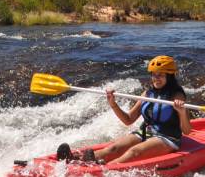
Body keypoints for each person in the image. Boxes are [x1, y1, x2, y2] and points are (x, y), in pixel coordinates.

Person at [57, 55, 191, 164]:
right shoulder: (147, 94)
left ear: (170, 76)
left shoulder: (177, 95)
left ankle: (105, 168)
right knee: (113, 148)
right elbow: (128, 120)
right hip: (146, 133)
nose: (156, 78)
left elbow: (187, 131)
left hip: (167, 138)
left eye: (161, 75)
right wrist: (113, 104)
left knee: (134, 151)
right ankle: (77, 160)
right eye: (154, 75)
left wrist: (181, 111)